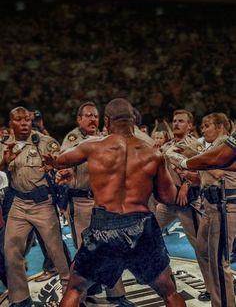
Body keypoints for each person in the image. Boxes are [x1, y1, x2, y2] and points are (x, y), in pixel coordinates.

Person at [44, 98, 186, 307]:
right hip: (141, 227)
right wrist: (183, 182)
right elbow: (168, 198)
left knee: (75, 288)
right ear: (133, 121)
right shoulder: (153, 154)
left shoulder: (93, 147)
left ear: (107, 121)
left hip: (104, 226)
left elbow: (59, 160)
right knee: (169, 291)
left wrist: (56, 166)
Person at [61, 101, 133, 307]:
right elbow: (65, 161)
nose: (93, 119)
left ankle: (117, 294)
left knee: (112, 246)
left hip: (103, 201)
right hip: (81, 201)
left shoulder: (104, 137)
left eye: (96, 116)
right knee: (86, 251)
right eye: (88, 115)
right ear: (79, 119)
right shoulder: (72, 139)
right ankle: (81, 296)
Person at [0, 106, 70, 307]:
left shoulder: (46, 142)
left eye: (28, 120)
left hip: (43, 204)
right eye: (19, 120)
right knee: (11, 253)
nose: (24, 124)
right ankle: (20, 300)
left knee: (57, 253)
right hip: (18, 205)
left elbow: (64, 165)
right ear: (11, 122)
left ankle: (71, 295)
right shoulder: (4, 145)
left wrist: (55, 165)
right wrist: (4, 161)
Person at [179, 113, 236, 305]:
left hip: (225, 205)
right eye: (202, 126)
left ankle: (224, 300)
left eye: (207, 125)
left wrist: (192, 158)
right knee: (203, 250)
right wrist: (189, 175)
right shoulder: (211, 148)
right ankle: (216, 291)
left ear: (220, 126)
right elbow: (204, 179)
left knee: (219, 261)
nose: (203, 130)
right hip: (209, 206)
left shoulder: (225, 144)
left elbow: (219, 170)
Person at [156, 109, 202, 250]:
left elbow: (202, 171)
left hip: (187, 203)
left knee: (199, 246)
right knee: (152, 235)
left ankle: (212, 272)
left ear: (189, 126)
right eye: (175, 121)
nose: (176, 124)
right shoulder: (167, 146)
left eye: (181, 121)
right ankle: (161, 269)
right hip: (167, 203)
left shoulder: (195, 146)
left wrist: (186, 185)